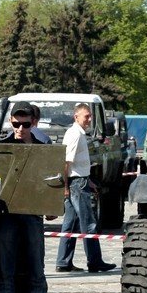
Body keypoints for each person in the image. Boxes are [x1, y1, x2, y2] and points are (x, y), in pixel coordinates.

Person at [0, 103, 51, 293]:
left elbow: (49, 180)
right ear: (11, 122)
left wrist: (50, 205)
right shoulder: (3, 148)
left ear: (32, 124)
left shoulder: (42, 149)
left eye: (25, 125)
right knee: (5, 270)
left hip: (32, 215)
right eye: (16, 124)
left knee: (36, 269)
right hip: (7, 216)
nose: (20, 129)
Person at [56, 103, 117, 274]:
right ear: (76, 117)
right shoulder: (75, 134)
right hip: (76, 184)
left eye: (90, 116)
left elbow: (76, 164)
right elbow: (66, 162)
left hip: (79, 181)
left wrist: (87, 180)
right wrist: (66, 187)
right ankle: (95, 261)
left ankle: (63, 261)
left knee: (70, 224)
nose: (89, 119)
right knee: (89, 223)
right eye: (86, 116)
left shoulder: (78, 133)